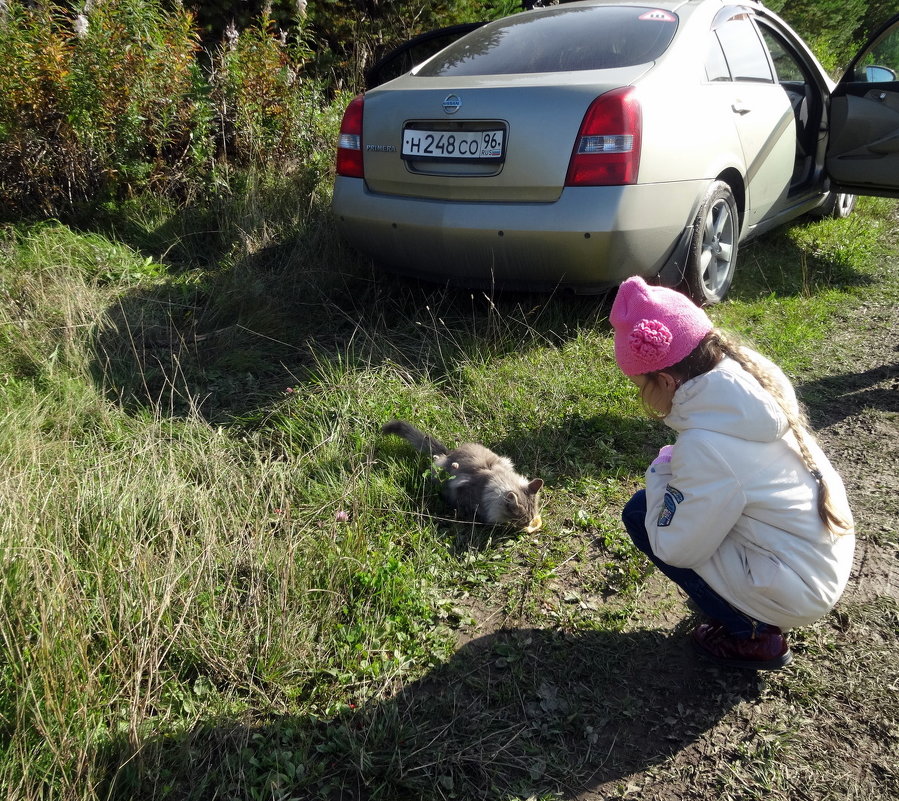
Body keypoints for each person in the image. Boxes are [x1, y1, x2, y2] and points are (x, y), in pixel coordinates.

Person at [610, 276, 855, 670]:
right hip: (821, 552)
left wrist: (660, 472)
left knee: (641, 514)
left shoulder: (707, 445)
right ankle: (744, 604)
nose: (640, 395)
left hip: (800, 588)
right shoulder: (748, 379)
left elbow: (675, 548)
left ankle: (754, 634)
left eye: (639, 384)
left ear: (666, 380)